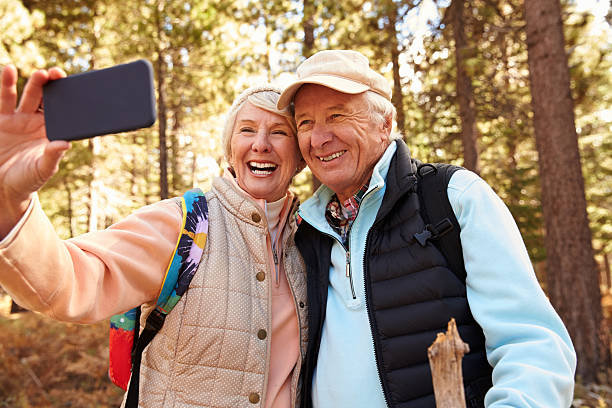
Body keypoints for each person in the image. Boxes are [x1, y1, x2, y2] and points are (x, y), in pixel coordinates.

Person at [276, 50, 577, 407]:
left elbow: (531, 343)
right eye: (305, 123)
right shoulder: (306, 231)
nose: (318, 138)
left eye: (336, 115)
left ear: (384, 124)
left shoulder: (452, 197)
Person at [0, 64, 308, 408]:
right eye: (247, 130)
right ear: (229, 150)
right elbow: (72, 281)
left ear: (300, 157)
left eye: (279, 132)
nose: (261, 144)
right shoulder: (185, 224)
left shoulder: (313, 243)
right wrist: (10, 204)